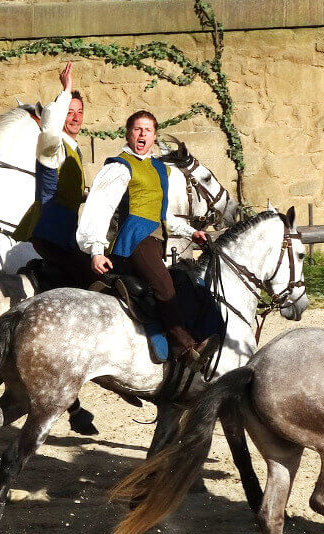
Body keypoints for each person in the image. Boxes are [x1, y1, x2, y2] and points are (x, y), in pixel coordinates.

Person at [76, 110, 214, 369]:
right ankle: (183, 347)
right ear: (128, 133)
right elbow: (99, 207)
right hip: (134, 241)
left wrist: (190, 232)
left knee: (179, 283)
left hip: (154, 241)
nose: (142, 134)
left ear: (154, 136)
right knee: (165, 287)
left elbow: (163, 213)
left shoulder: (158, 168)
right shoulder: (119, 166)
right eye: (137, 129)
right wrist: (96, 249)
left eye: (147, 130)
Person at [25, 61, 100, 288]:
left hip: (66, 234)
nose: (76, 118)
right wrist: (66, 91)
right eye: (69, 113)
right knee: (88, 279)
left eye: (79, 112)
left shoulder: (74, 149)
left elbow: (67, 193)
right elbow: (49, 125)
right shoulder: (53, 145)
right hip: (50, 233)